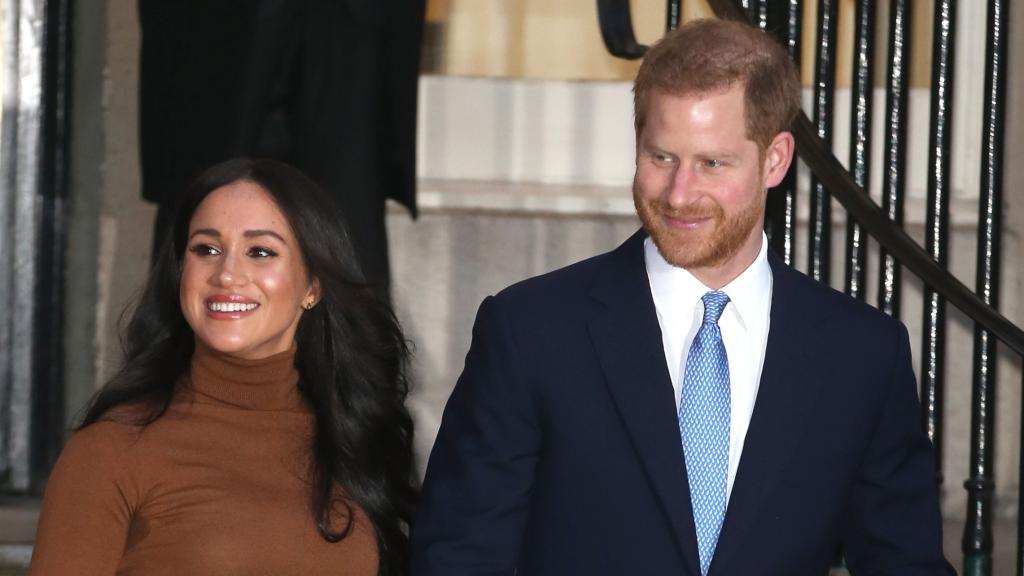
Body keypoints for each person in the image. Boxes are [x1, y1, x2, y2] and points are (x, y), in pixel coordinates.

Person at [410, 19, 953, 576]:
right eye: (661, 157)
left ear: (776, 160)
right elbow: (458, 556)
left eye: (712, 163)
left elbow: (903, 563)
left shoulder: (861, 354)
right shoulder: (531, 332)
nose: (680, 194)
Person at [30, 158, 416, 576]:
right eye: (207, 249)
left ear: (312, 287)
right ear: (181, 272)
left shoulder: (357, 441)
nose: (228, 274)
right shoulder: (111, 451)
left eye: (261, 251)